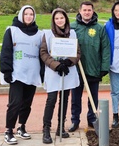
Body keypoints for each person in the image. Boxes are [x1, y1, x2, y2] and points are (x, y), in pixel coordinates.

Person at [0, 5, 44, 145]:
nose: (29, 16)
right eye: (26, 14)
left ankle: (22, 127)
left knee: (27, 104)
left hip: (32, 74)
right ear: (21, 15)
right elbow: (6, 52)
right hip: (17, 74)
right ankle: (9, 131)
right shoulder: (12, 31)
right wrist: (6, 71)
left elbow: (42, 54)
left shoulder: (39, 34)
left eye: (31, 14)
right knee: (15, 103)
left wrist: (42, 73)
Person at [68, 1, 110, 132]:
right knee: (75, 98)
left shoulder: (99, 28)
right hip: (76, 70)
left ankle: (92, 119)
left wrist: (104, 67)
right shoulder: (72, 27)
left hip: (94, 69)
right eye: (84, 10)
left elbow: (106, 48)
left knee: (93, 97)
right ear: (80, 11)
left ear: (93, 11)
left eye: (89, 10)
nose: (87, 12)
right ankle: (75, 120)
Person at [40, 8, 80, 144]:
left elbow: (77, 52)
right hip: (53, 72)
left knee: (64, 99)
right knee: (51, 100)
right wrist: (56, 65)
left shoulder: (72, 33)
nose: (59, 20)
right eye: (56, 18)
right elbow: (44, 53)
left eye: (61, 18)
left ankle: (60, 127)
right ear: (53, 20)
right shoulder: (47, 34)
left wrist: (69, 61)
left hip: (67, 71)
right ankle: (46, 129)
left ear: (66, 19)